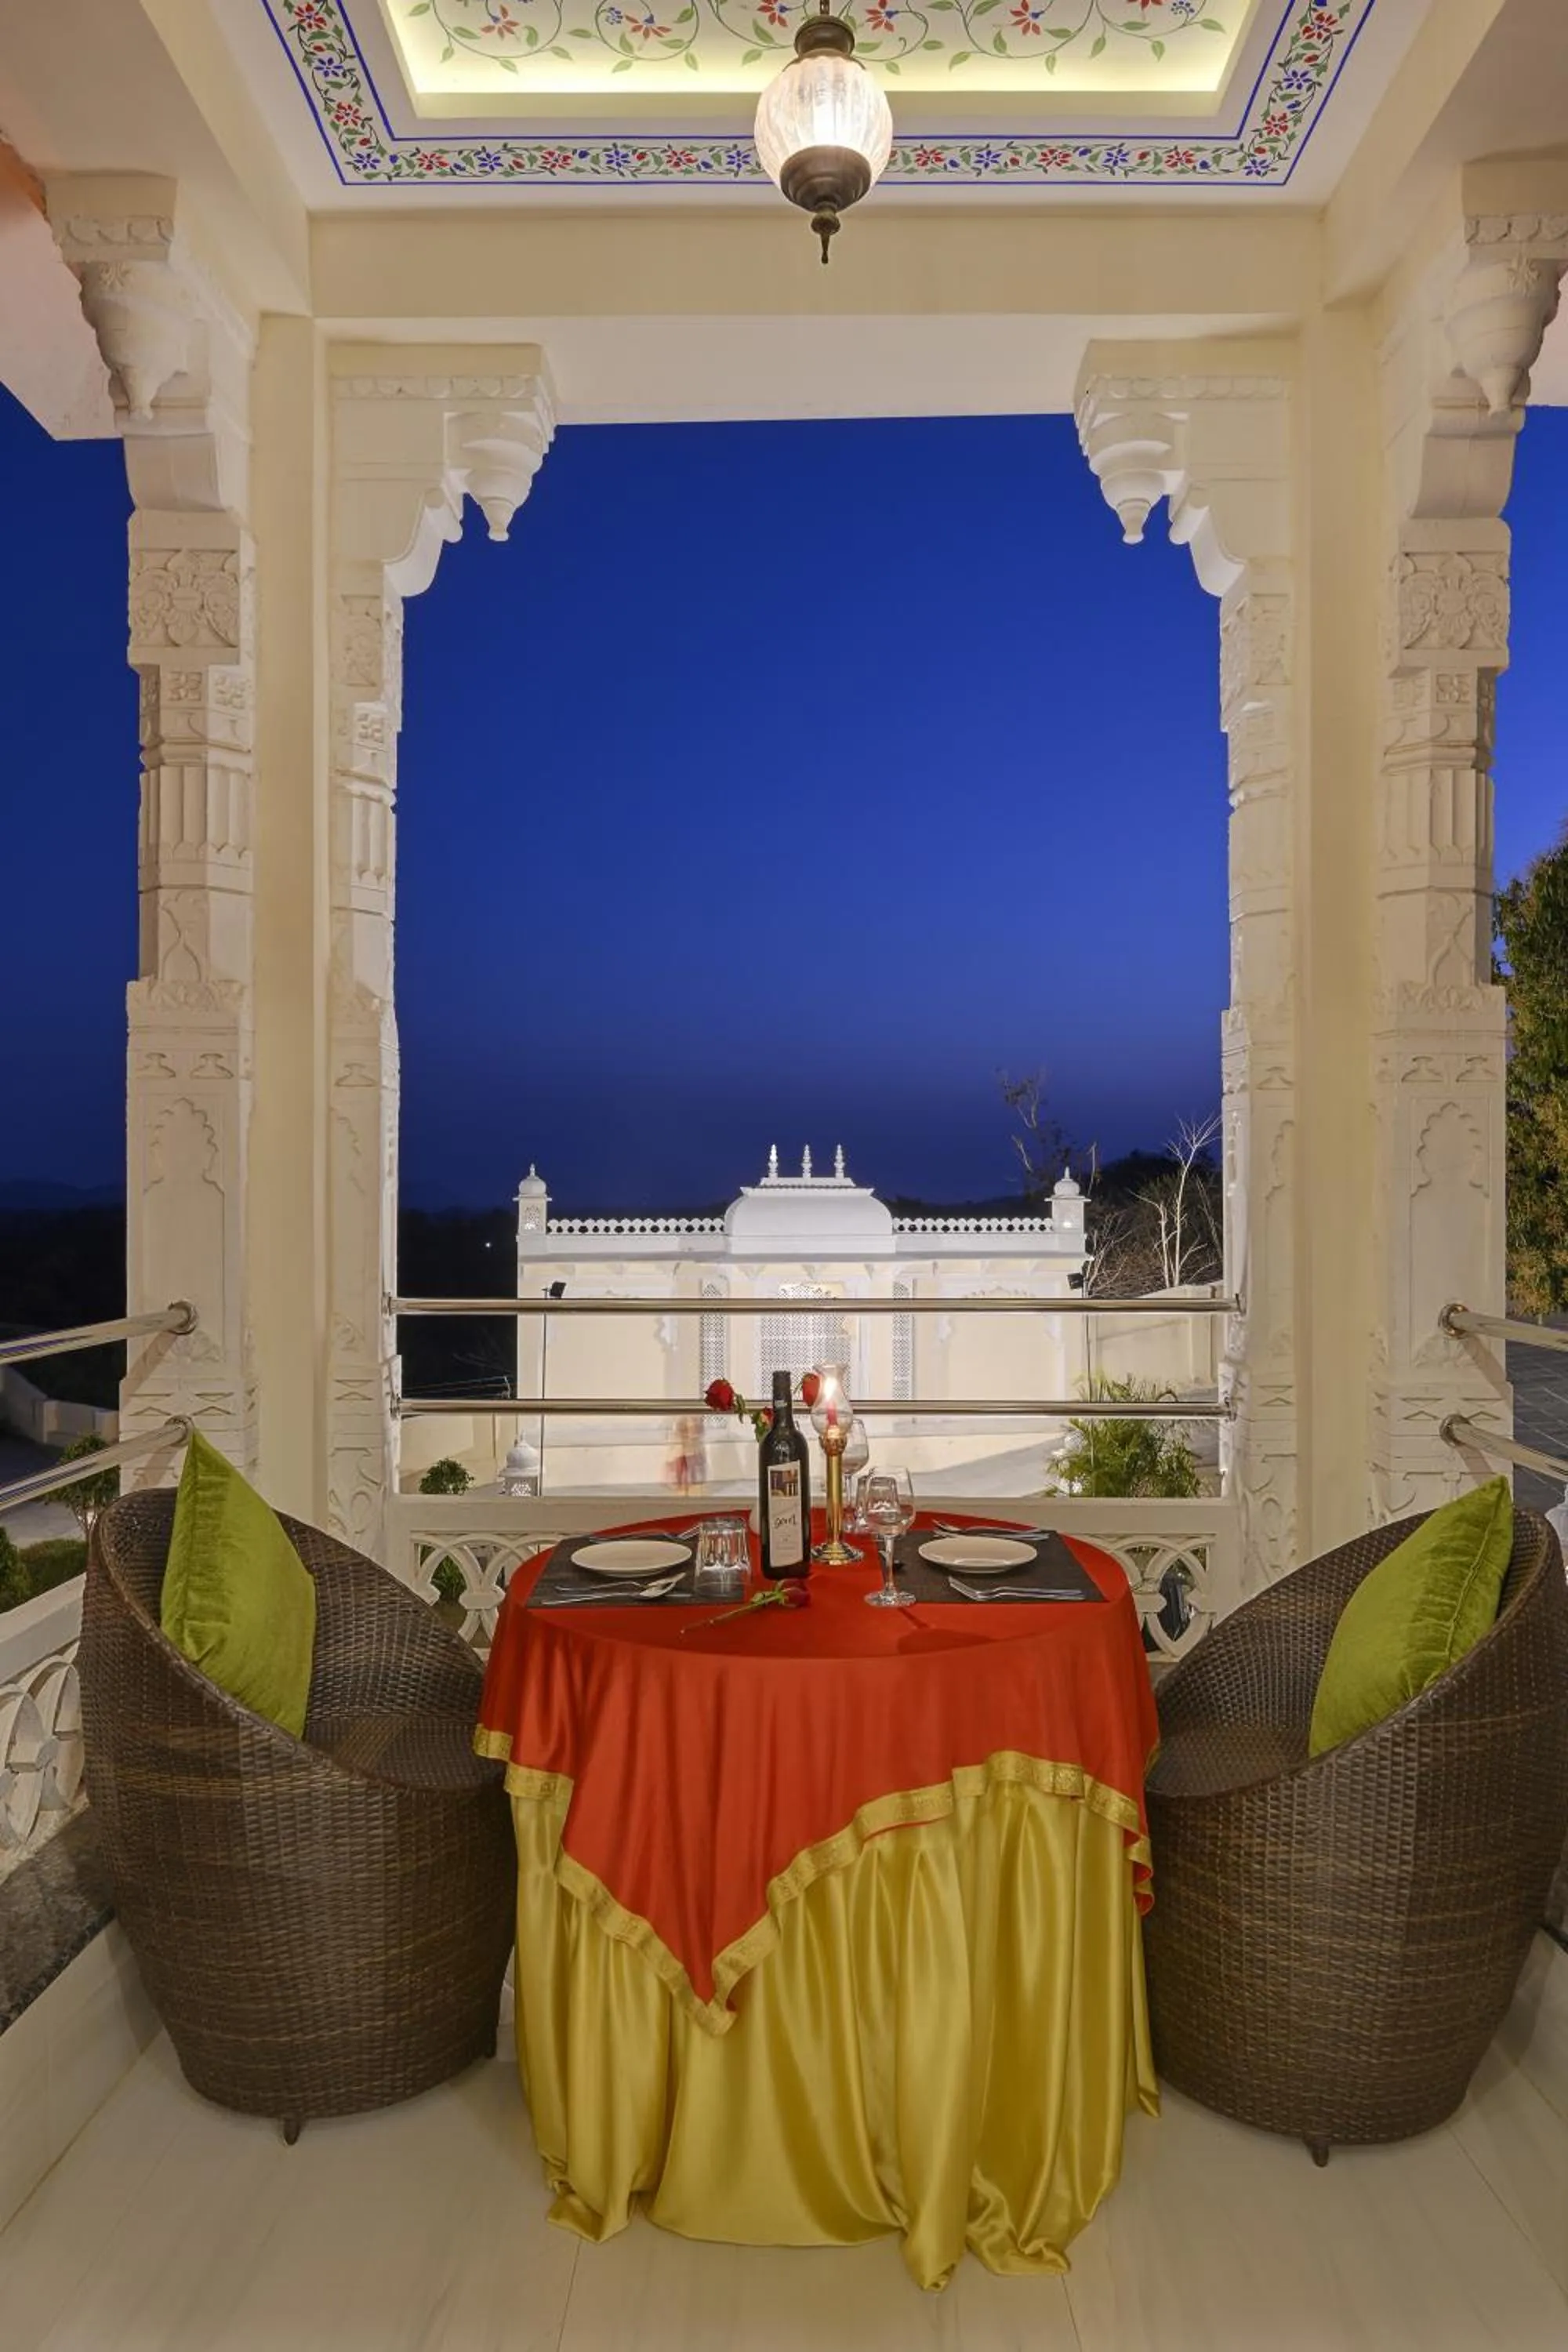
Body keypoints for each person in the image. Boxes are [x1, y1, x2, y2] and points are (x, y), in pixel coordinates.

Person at [666, 1413, 706, 1497]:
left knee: (692, 1466)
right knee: (683, 1463)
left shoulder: (696, 1418)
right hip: (681, 1444)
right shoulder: (680, 1421)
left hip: (692, 1445)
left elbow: (699, 1430)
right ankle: (682, 1486)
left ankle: (692, 1486)